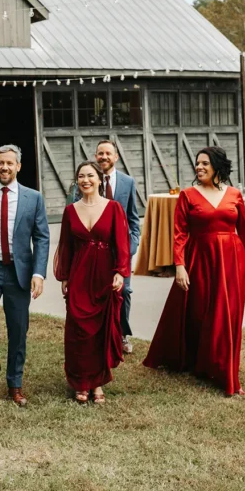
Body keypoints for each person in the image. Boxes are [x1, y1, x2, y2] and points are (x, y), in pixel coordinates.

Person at [143, 146, 245, 397]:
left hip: (233, 263)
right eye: (197, 163)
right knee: (200, 313)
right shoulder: (188, 195)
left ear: (217, 167)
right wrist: (179, 265)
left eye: (205, 163)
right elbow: (179, 234)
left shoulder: (234, 194)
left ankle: (227, 372)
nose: (199, 167)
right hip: (199, 260)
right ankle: (200, 361)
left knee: (227, 315)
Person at [0, 145, 49, 407]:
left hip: (19, 272)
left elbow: (41, 237)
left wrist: (38, 272)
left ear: (18, 167)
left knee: (18, 329)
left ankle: (14, 384)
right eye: (0, 163)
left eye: (10, 163)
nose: (5, 167)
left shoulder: (33, 198)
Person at [53, 161, 131, 405]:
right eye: (80, 176)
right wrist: (64, 276)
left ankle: (97, 383)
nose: (85, 180)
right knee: (78, 331)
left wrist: (120, 272)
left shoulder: (114, 208)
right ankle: (80, 382)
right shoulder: (70, 211)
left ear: (99, 179)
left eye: (90, 175)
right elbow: (65, 246)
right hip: (79, 276)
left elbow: (122, 244)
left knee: (100, 330)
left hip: (104, 276)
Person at [95, 140, 141, 354]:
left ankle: (122, 335)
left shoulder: (127, 182)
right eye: (100, 153)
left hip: (122, 249)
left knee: (124, 291)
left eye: (107, 153)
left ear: (116, 157)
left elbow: (133, 216)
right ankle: (101, 334)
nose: (103, 157)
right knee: (98, 290)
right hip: (96, 248)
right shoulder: (88, 180)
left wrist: (133, 243)